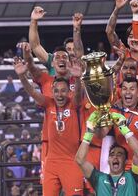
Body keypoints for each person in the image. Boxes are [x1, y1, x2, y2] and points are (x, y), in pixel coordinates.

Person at [14, 56, 84, 195]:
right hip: (51, 163)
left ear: (68, 92)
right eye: (56, 91)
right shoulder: (48, 103)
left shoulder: (74, 104)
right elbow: (32, 92)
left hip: (72, 162)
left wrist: (77, 79)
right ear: (52, 92)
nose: (59, 94)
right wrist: (22, 76)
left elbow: (77, 94)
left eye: (63, 91)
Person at [75, 111, 138, 196]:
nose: (115, 156)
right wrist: (89, 133)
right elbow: (80, 160)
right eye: (112, 155)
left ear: (126, 161)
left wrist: (123, 127)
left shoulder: (133, 177)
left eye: (119, 154)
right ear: (108, 160)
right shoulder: (99, 178)